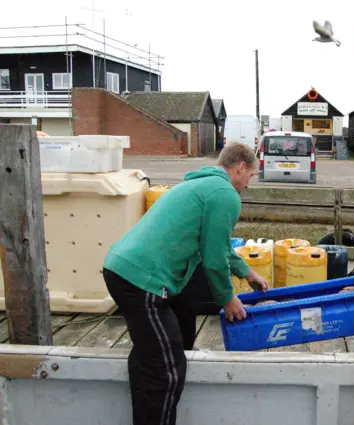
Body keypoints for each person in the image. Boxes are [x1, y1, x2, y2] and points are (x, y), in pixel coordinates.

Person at [102, 142, 268, 425]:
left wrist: (247, 272)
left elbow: (218, 245)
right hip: (142, 281)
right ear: (240, 167)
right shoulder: (225, 194)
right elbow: (214, 259)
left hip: (122, 269)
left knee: (155, 352)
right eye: (250, 176)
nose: (248, 185)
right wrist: (227, 299)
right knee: (166, 368)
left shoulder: (200, 186)